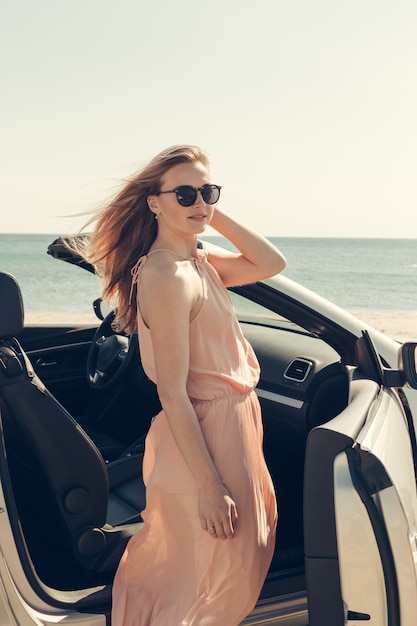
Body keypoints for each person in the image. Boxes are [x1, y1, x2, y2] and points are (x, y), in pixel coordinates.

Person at [78, 145, 286, 625]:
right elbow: (172, 392)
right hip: (208, 432)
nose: (200, 202)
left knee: (216, 567)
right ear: (154, 202)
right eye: (185, 193)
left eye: (207, 191)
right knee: (221, 576)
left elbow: (271, 262)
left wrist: (206, 211)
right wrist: (209, 487)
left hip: (232, 425)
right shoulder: (168, 275)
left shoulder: (198, 261)